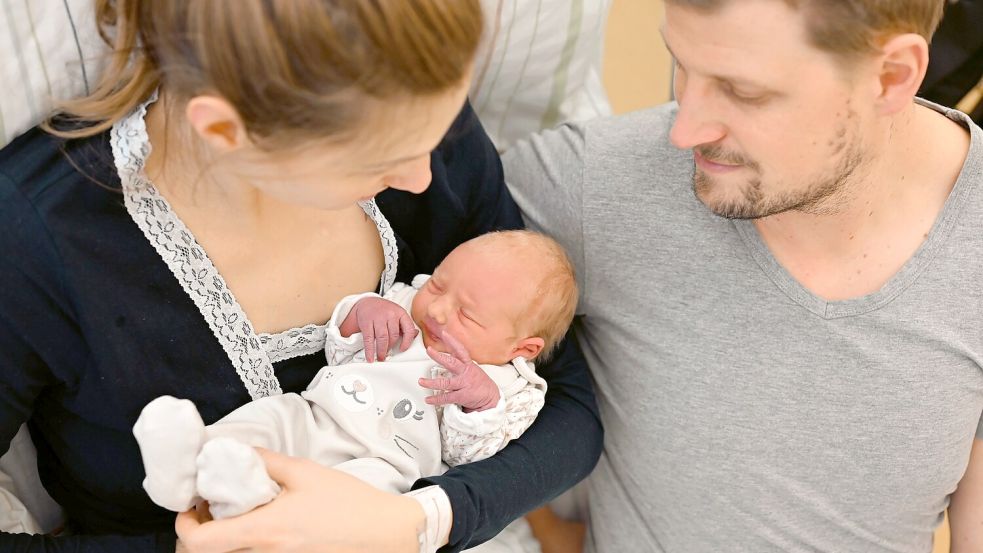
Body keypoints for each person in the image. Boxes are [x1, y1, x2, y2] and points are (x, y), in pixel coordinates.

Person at [0, 1, 602, 552]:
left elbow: (567, 406)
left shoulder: (416, 111)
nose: (423, 176)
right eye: (379, 156)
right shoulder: (40, 237)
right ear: (226, 131)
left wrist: (419, 522)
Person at [501, 0, 983, 552]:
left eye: (744, 91)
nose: (685, 131)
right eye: (680, 63)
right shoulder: (592, 184)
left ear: (891, 76)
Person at [132, 230, 576, 519]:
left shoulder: (512, 390)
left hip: (385, 464)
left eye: (467, 315)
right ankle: (187, 464)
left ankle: (253, 506)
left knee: (354, 506)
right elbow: (341, 354)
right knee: (267, 419)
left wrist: (477, 405)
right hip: (317, 414)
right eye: (439, 284)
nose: (437, 309)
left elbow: (470, 455)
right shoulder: (408, 304)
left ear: (522, 348)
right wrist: (361, 312)